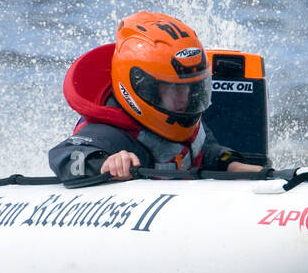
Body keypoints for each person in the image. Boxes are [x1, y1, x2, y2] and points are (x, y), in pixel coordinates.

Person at [49, 11, 262, 180]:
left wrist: (230, 163)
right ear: (143, 87)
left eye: (191, 88)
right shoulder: (107, 134)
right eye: (174, 89)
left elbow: (204, 151)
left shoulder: (182, 119)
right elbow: (63, 156)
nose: (184, 99)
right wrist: (105, 163)